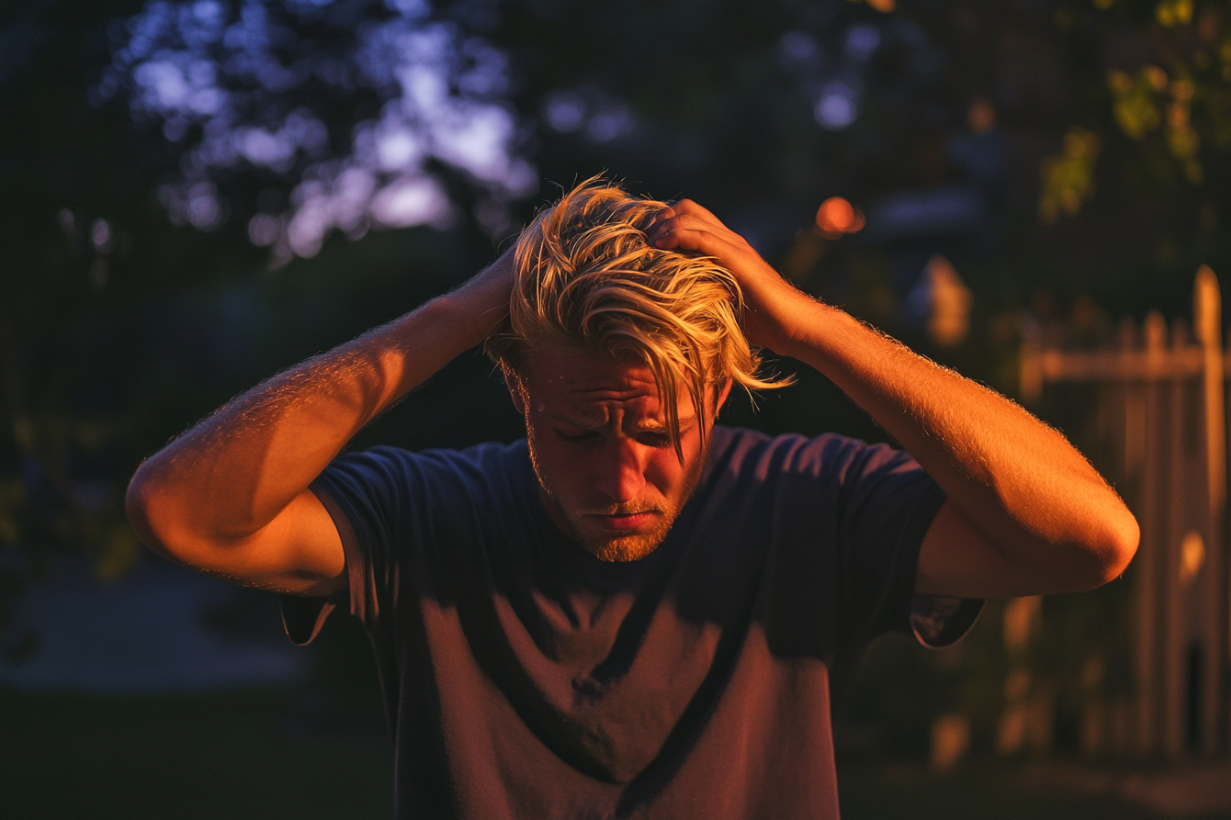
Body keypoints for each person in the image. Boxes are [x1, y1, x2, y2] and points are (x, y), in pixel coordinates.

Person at [126, 179, 1138, 819]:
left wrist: (810, 328)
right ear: (521, 393)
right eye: (577, 430)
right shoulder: (427, 516)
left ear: (716, 394)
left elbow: (1091, 537)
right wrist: (460, 312)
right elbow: (178, 511)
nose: (619, 477)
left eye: (658, 431)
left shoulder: (808, 504)